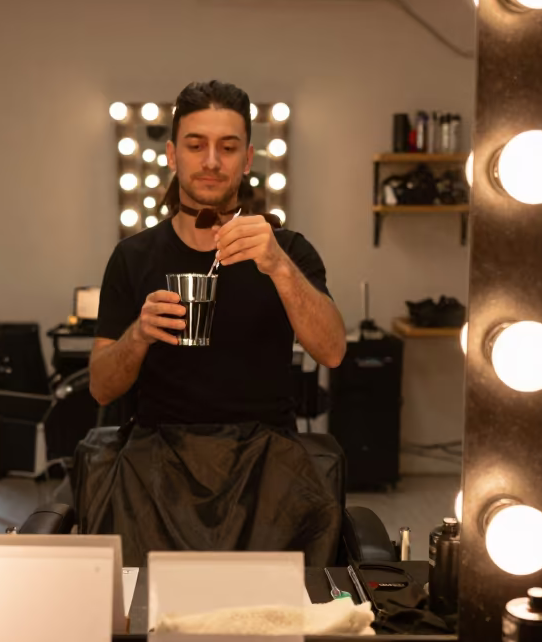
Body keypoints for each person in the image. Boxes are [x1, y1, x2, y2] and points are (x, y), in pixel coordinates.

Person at [86, 79, 347, 565]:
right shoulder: (132, 257)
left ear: (247, 159)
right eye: (196, 145)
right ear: (171, 154)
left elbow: (332, 350)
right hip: (157, 465)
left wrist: (278, 268)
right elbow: (101, 388)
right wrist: (139, 334)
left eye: (227, 148)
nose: (211, 161)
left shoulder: (289, 251)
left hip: (266, 467)